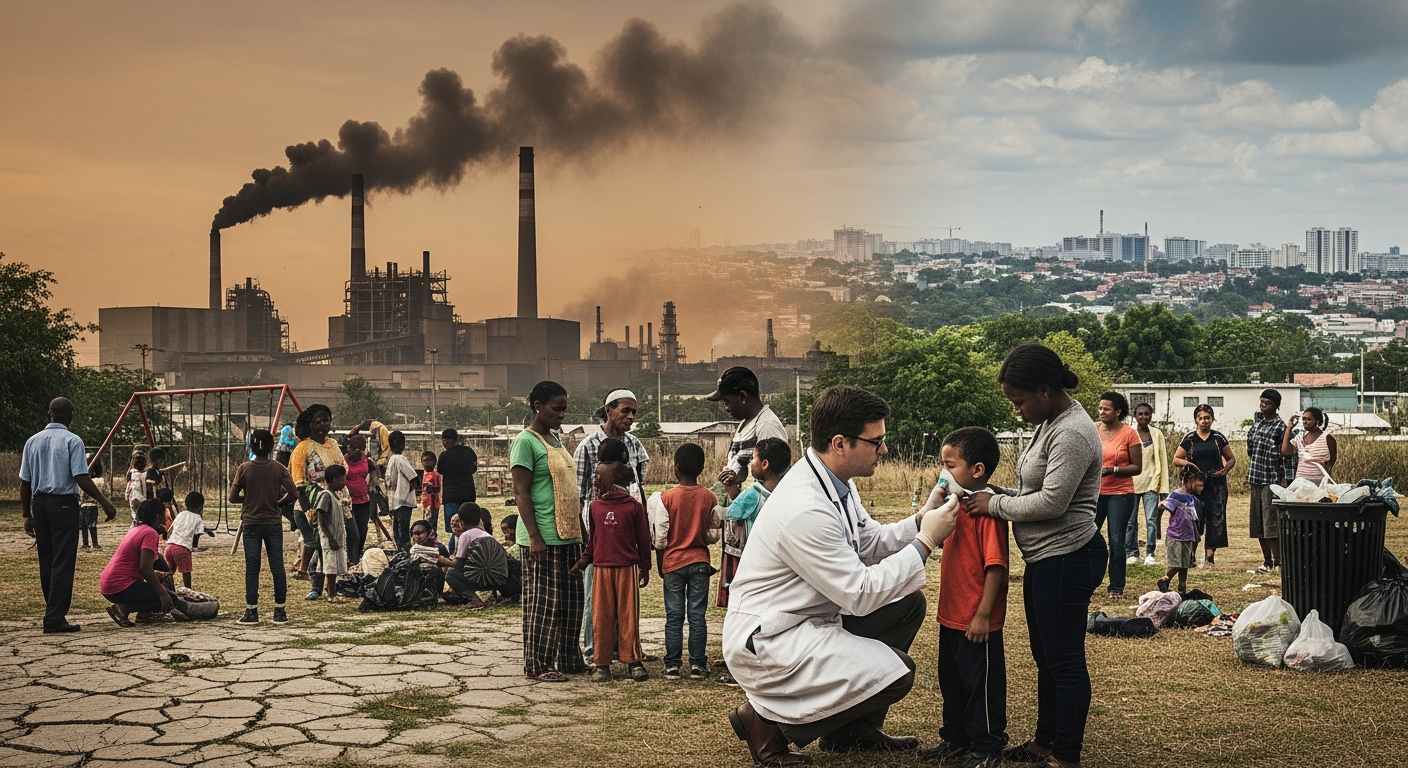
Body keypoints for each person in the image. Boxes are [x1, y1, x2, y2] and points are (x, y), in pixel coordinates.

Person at [723, 385, 960, 765]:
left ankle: (849, 729)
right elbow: (860, 593)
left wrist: (920, 518)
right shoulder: (806, 508)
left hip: (806, 618)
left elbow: (868, 542)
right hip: (771, 638)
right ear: (840, 443)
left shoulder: (835, 483)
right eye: (876, 441)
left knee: (907, 604)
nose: (883, 449)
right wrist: (927, 540)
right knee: (897, 674)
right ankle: (767, 723)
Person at [961, 344, 1104, 768]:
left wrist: (994, 506)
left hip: (1069, 557)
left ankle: (1066, 755)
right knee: (1047, 658)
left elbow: (1052, 504)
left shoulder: (1073, 432)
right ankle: (1045, 742)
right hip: (1047, 560)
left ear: (1045, 390)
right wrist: (998, 493)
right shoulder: (1050, 422)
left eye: (1020, 401)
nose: (1017, 411)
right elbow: (1033, 492)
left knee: (1065, 661)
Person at [918, 427, 1009, 768]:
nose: (944, 473)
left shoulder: (986, 512)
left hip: (975, 619)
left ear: (977, 470)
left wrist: (983, 615)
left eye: (950, 465)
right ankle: (955, 739)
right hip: (950, 616)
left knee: (980, 687)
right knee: (952, 681)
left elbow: (996, 568)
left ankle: (987, 747)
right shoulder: (956, 508)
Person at [20, 397, 119, 633]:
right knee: (63, 561)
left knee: (47, 559)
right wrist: (105, 503)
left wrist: (26, 514)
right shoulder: (73, 441)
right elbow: (81, 477)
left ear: (49, 414)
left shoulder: (32, 441)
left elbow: (25, 482)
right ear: (70, 417)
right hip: (63, 504)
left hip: (40, 504)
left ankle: (52, 611)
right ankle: (54, 618)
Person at [512, 381, 587, 682]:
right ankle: (538, 665)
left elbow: (571, 491)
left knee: (571, 603)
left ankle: (569, 659)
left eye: (564, 409)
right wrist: (534, 537)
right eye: (557, 408)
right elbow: (521, 492)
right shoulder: (526, 442)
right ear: (537, 406)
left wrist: (583, 535)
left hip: (569, 536)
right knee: (543, 603)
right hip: (542, 536)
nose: (562, 414)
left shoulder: (555, 440)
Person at [574, 389, 649, 664]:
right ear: (608, 410)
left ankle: (625, 650)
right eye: (625, 411)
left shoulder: (636, 446)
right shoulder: (587, 447)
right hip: (598, 533)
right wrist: (586, 538)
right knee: (597, 599)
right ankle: (596, 652)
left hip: (625, 535)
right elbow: (579, 494)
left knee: (625, 601)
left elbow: (637, 490)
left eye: (634, 413)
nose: (630, 417)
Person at [709, 366, 790, 609]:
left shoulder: (767, 426)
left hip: (756, 520)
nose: (726, 407)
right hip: (740, 519)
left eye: (727, 400)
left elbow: (774, 473)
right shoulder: (747, 422)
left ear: (743, 396)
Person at [650, 443, 725, 681]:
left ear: (677, 468)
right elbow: (713, 536)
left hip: (673, 564)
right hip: (700, 563)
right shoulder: (709, 497)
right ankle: (697, 665)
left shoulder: (666, 498)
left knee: (674, 616)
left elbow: (661, 538)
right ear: (702, 468)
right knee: (697, 615)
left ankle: (672, 665)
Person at [230, 428, 305, 625]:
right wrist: (277, 501)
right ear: (272, 447)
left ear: (251, 446)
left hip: (251, 523)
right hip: (273, 521)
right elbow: (294, 493)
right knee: (277, 565)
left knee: (252, 566)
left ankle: (251, 610)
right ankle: (280, 610)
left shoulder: (244, 468)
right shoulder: (279, 468)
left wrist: (250, 499)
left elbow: (232, 498)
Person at [102, 499, 194, 626]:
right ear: (157, 516)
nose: (165, 517)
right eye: (163, 514)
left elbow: (155, 561)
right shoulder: (150, 533)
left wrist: (164, 577)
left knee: (161, 564)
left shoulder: (138, 529)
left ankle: (144, 613)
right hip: (120, 587)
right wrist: (163, 594)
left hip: (109, 585)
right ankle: (122, 608)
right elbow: (145, 568)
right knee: (170, 598)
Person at [1173, 404, 1235, 569]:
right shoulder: (1190, 439)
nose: (1204, 421)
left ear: (1212, 419)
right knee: (1193, 520)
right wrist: (1189, 464)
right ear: (1196, 419)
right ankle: (1191, 557)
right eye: (1200, 418)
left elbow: (1231, 458)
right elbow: (1176, 459)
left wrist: (1225, 470)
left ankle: (1209, 559)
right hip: (1195, 485)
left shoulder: (1218, 438)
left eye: (1207, 417)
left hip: (1217, 485)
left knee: (1216, 520)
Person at [1093, 392, 1142, 599]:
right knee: (1087, 539)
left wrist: (1113, 470)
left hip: (1120, 494)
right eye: (1100, 408)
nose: (1101, 412)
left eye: (1106, 409)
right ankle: (1088, 581)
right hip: (1094, 494)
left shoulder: (1129, 434)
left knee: (1116, 541)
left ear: (1118, 412)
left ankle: (1116, 586)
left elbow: (1137, 467)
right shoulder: (1093, 430)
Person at [289, 405, 344, 578]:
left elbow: (342, 469)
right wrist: (309, 511)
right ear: (310, 424)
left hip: (337, 504)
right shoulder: (302, 449)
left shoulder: (333, 444)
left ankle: (335, 573)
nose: (322, 425)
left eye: (326, 420)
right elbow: (299, 484)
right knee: (319, 543)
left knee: (347, 538)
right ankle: (316, 580)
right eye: (317, 421)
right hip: (313, 505)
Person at [1246, 390, 1289, 574]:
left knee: (1270, 521)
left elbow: (1286, 455)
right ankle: (1267, 561)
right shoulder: (1256, 425)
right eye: (1261, 402)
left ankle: (1278, 562)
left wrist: (1285, 478)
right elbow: (1250, 448)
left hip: (1271, 479)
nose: (1263, 405)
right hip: (1255, 477)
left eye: (1268, 403)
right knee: (1257, 521)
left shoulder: (1280, 427)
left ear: (1276, 406)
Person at [726, 437, 791, 544]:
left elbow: (732, 513)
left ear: (764, 464)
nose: (751, 463)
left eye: (753, 458)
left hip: (757, 550)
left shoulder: (754, 492)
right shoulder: (789, 492)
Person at [1130, 403, 1169, 566]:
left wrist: (1163, 488)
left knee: (1151, 520)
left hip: (1151, 483)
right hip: (1131, 484)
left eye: (1147, 414)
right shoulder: (1129, 433)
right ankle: (1131, 553)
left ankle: (1150, 554)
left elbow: (1163, 460)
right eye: (1140, 414)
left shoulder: (1156, 434)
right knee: (1130, 521)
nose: (1143, 417)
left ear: (1151, 416)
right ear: (1135, 416)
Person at [1157, 467, 1204, 594]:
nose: (1201, 486)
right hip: (1176, 536)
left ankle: (1182, 587)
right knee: (1177, 563)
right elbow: (1161, 507)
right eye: (1199, 483)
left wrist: (1197, 535)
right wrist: (1158, 529)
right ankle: (1165, 579)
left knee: (1186, 564)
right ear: (1190, 479)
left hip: (1188, 536)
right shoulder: (1175, 496)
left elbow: (1192, 517)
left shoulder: (1190, 498)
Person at [306, 464, 349, 602]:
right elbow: (321, 519)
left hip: (337, 538)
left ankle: (333, 591)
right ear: (334, 479)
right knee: (330, 568)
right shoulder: (326, 495)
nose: (343, 483)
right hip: (330, 539)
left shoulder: (335, 497)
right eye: (342, 480)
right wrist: (330, 538)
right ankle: (331, 594)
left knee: (334, 567)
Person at [438, 428, 479, 549]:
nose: (443, 443)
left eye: (444, 440)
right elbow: (474, 469)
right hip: (468, 495)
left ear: (450, 440)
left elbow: (440, 470)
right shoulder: (469, 452)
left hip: (451, 496)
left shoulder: (444, 456)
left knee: (454, 530)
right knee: (469, 527)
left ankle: (454, 553)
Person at [1281, 406, 1336, 483]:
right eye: (1304, 419)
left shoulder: (1327, 438)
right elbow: (1286, 451)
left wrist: (1327, 482)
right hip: (1300, 484)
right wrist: (1288, 429)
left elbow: (1331, 462)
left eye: (1309, 419)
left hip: (1319, 485)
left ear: (1317, 421)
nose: (1305, 422)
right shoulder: (1300, 436)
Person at [165, 491, 206, 590]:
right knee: (186, 571)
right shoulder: (198, 518)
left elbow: (170, 529)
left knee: (169, 572)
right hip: (182, 548)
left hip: (170, 546)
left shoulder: (181, 514)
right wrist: (194, 546)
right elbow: (197, 534)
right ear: (200, 508)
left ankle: (166, 588)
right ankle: (189, 590)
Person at [385, 430, 418, 552]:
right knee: (402, 531)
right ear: (399, 443)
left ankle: (403, 552)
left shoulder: (392, 459)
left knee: (399, 531)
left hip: (397, 501)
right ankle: (404, 552)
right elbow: (413, 477)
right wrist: (408, 491)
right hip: (402, 501)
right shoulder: (400, 459)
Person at [344, 434, 373, 565]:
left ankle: (357, 555)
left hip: (363, 500)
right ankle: (351, 556)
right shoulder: (344, 460)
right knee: (351, 531)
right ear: (349, 448)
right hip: (348, 502)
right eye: (355, 449)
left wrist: (370, 484)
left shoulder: (365, 460)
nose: (357, 452)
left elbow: (371, 472)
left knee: (362, 529)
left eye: (361, 449)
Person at [79, 459, 105, 550]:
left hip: (86, 505)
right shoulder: (99, 481)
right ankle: (92, 543)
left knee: (87, 525)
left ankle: (89, 543)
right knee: (88, 525)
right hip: (89, 505)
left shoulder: (83, 481)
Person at [125, 452, 148, 525]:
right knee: (140, 518)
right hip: (138, 498)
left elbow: (128, 480)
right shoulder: (143, 475)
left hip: (133, 497)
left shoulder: (132, 473)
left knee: (135, 516)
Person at [421, 450, 441, 523]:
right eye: (425, 460)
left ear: (434, 462)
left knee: (431, 522)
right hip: (425, 503)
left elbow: (438, 489)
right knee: (425, 521)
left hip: (433, 504)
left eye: (430, 460)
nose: (427, 462)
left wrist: (431, 489)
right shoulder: (423, 474)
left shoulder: (435, 475)